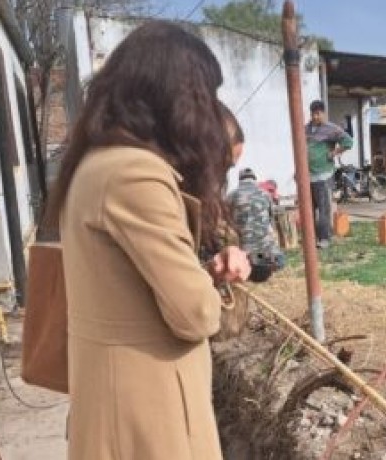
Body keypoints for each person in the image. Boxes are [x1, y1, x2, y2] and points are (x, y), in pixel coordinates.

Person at [43, 21, 250, 460]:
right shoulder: (135, 173)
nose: (211, 110)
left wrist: (199, 276)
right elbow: (194, 314)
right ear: (177, 96)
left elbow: (131, 286)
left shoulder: (94, 163)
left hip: (117, 406)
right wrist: (212, 288)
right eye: (205, 95)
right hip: (148, 418)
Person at [306, 100, 353, 249]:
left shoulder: (331, 129)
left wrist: (333, 153)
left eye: (318, 114)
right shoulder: (306, 129)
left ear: (323, 113)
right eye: (313, 114)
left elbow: (348, 141)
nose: (315, 117)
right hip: (307, 176)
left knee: (323, 209)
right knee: (309, 210)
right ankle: (311, 238)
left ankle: (324, 239)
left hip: (323, 176)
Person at [227, 168, 286, 281]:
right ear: (254, 179)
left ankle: (252, 263)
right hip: (266, 254)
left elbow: (227, 221)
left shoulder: (231, 196)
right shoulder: (266, 195)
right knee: (281, 260)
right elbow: (270, 220)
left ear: (240, 180)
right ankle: (260, 261)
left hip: (244, 254)